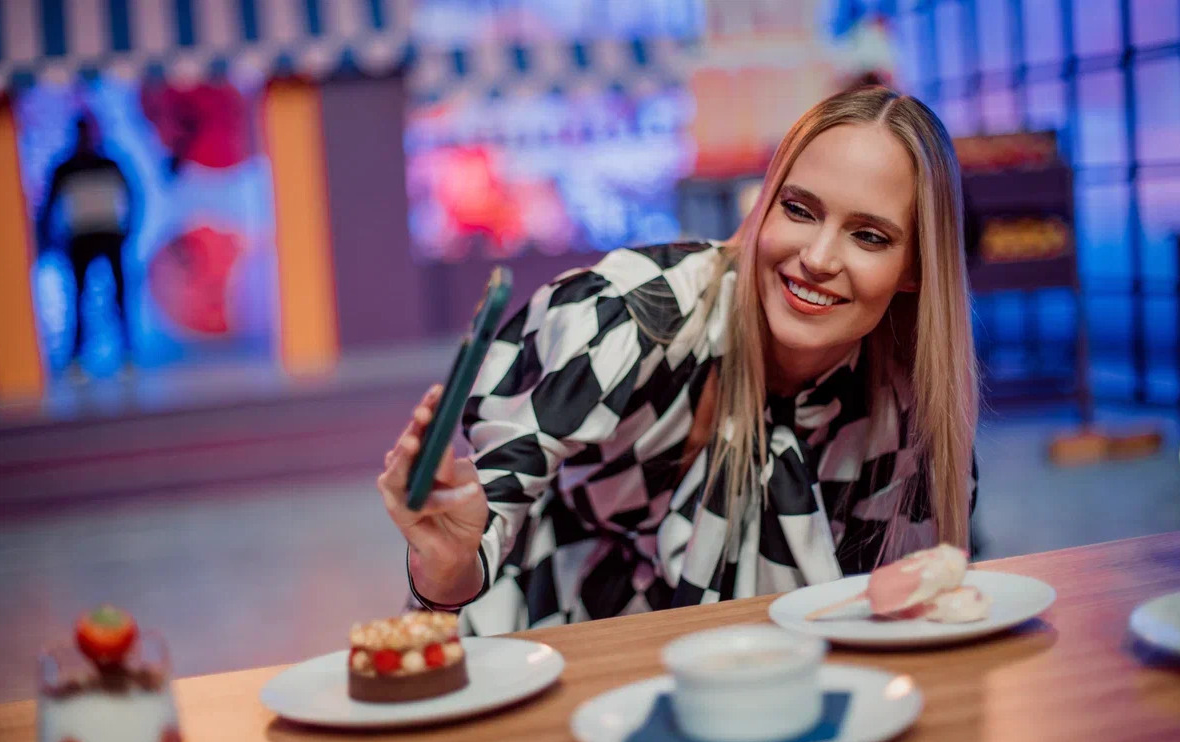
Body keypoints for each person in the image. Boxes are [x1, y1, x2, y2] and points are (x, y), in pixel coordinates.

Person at [378, 86, 979, 636]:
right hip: (552, 650)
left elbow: (898, 619)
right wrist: (447, 561)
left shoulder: (905, 412)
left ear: (915, 269)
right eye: (800, 210)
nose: (818, 259)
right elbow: (472, 547)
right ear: (764, 207)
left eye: (869, 236)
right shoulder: (629, 317)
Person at [37, 115, 136, 374]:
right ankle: (77, 359)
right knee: (78, 296)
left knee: (119, 295)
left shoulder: (110, 164)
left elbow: (132, 196)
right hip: (81, 237)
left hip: (109, 234)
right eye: (82, 132)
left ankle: (127, 354)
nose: (87, 138)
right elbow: (48, 206)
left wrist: (128, 229)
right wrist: (50, 238)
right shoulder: (65, 168)